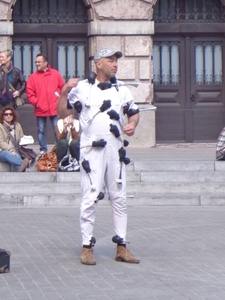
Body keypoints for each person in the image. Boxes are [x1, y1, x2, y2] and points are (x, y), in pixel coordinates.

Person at [57, 48, 140, 265]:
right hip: (91, 150)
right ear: (98, 64)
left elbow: (133, 111)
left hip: (116, 149)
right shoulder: (83, 88)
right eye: (110, 61)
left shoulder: (121, 89)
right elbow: (63, 113)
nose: (115, 64)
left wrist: (132, 124)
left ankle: (122, 247)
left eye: (116, 61)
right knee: (91, 196)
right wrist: (65, 91)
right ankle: (87, 247)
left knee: (119, 197)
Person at [26, 53, 65, 155]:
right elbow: (30, 94)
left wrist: (60, 100)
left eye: (39, 61)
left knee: (57, 129)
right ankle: (43, 150)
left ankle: (58, 149)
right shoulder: (33, 77)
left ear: (46, 63)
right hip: (40, 108)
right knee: (41, 130)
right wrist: (37, 103)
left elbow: (62, 88)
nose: (37, 63)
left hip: (54, 107)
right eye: (36, 62)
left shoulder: (55, 74)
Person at [0, 106, 29, 172]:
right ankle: (23, 163)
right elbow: (1, 142)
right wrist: (10, 150)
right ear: (3, 116)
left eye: (10, 114)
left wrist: (26, 140)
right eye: (6, 114)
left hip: (15, 149)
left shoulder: (17, 125)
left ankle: (21, 170)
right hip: (2, 151)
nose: (8, 116)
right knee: (8, 154)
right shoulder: (0, 126)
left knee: (18, 164)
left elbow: (21, 137)